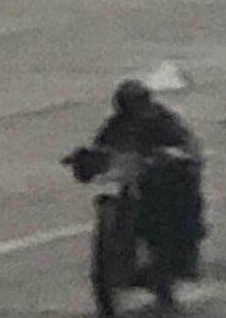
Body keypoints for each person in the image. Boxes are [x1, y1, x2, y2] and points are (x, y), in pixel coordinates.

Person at [71, 78, 206, 278]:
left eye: (134, 102)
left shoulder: (164, 120)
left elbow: (186, 145)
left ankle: (183, 251)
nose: (131, 108)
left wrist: (174, 156)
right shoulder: (116, 124)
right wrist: (88, 158)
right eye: (126, 103)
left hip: (161, 178)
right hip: (132, 179)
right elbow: (102, 146)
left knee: (182, 196)